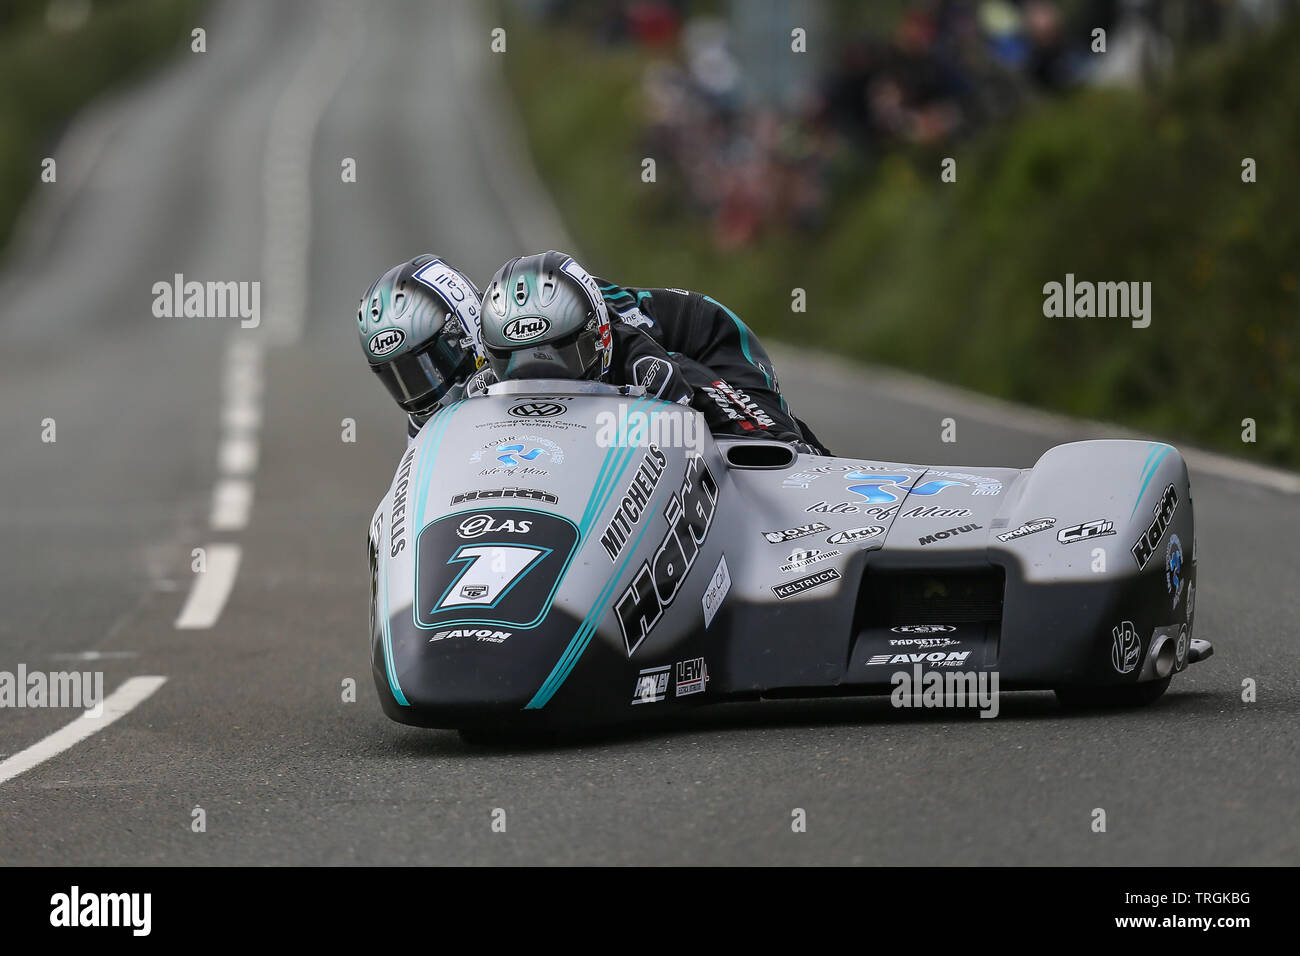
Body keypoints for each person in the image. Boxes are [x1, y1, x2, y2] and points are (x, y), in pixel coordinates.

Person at [477, 250, 830, 454]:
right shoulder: (480, 378)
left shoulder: (643, 362)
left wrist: (775, 443)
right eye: (516, 365)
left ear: (600, 337)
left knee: (776, 449)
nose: (545, 380)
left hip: (704, 345)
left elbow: (698, 387)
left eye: (562, 359)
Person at [355, 254, 486, 439]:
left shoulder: (523, 379)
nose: (419, 391)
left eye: (434, 364)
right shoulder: (421, 429)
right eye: (401, 377)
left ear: (466, 330)